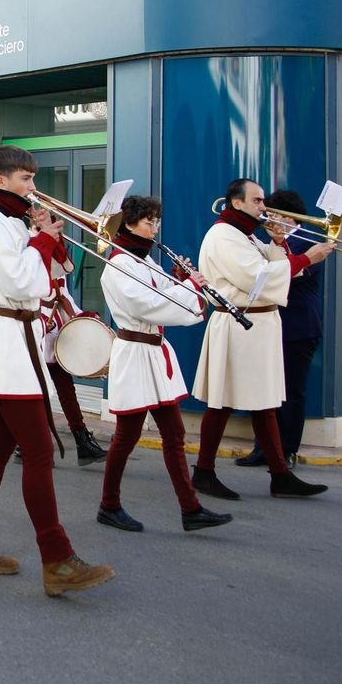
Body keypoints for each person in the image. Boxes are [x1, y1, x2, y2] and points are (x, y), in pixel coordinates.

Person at [0, 144, 115, 598]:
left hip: (16, 339)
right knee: (39, 451)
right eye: (26, 179)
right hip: (3, 339)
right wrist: (38, 241)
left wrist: (48, 238)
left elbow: (54, 275)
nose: (34, 188)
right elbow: (20, 281)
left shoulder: (10, 222)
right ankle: (57, 559)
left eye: (33, 178)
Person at [94, 195, 233, 533]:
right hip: (134, 353)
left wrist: (180, 279)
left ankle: (190, 508)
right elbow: (148, 305)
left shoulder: (144, 260)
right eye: (148, 221)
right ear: (129, 223)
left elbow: (164, 294)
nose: (155, 227)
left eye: (157, 221)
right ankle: (108, 505)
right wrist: (188, 287)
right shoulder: (119, 264)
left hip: (155, 354)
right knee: (126, 437)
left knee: (174, 434)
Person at [190, 178, 333, 500]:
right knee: (222, 401)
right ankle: (204, 471)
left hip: (257, 324)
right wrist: (307, 258)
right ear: (236, 203)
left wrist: (280, 243)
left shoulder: (244, 234)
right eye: (257, 201)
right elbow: (257, 277)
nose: (263, 207)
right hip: (239, 323)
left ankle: (279, 474)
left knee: (264, 402)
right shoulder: (224, 235)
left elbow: (272, 265)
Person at [235, 189, 323, 470]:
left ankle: (287, 451)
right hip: (270, 326)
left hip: (298, 327)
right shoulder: (271, 242)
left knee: (292, 391)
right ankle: (264, 448)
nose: (266, 219)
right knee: (266, 390)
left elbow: (289, 274)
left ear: (287, 216)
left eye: (271, 214)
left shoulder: (309, 243)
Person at [31, 207, 108, 464]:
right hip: (38, 328)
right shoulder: (32, 247)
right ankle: (27, 443)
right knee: (37, 389)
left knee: (65, 388)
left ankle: (81, 440)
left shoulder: (51, 246)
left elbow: (61, 288)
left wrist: (77, 316)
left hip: (56, 325)